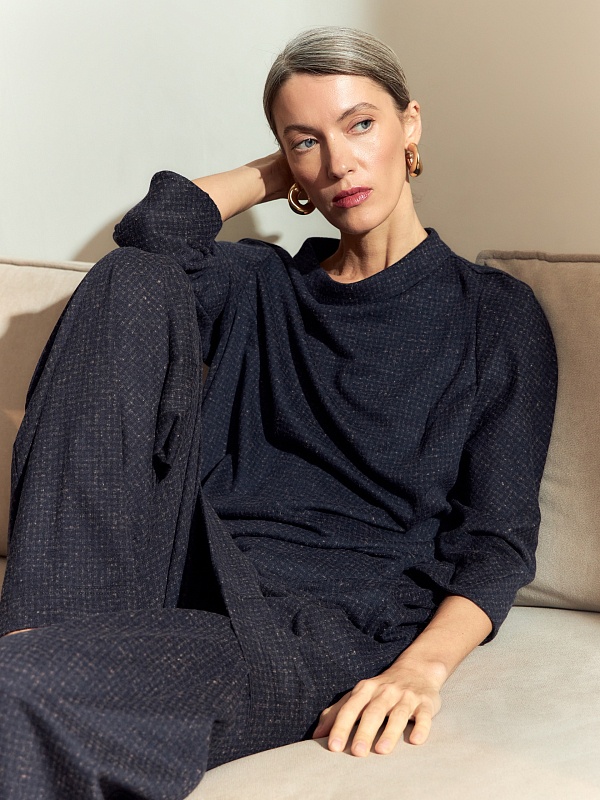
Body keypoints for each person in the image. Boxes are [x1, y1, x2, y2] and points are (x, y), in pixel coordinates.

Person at [0, 26, 556, 800]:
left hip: (319, 623)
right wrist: (276, 171)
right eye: (307, 143)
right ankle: (41, 632)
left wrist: (421, 669)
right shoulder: (261, 283)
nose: (340, 164)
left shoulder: (495, 315)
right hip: (186, 567)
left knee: (18, 690)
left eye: (361, 124)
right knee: (130, 280)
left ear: (411, 125)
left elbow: (498, 541)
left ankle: (37, 661)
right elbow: (153, 234)